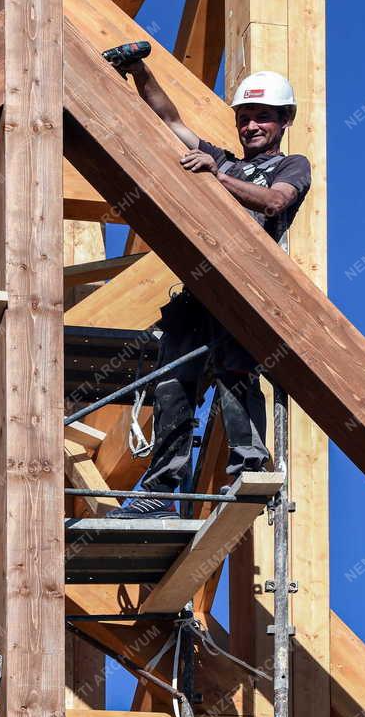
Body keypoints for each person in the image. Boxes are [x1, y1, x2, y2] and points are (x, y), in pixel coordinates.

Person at [112, 62, 312, 517]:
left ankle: (249, 465)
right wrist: (140, 71)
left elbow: (276, 200)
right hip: (201, 287)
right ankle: (161, 489)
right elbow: (170, 120)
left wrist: (214, 178)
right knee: (172, 386)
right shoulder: (224, 159)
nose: (251, 125)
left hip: (246, 284)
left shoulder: (289, 165)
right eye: (245, 117)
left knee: (235, 371)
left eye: (262, 116)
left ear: (284, 121)